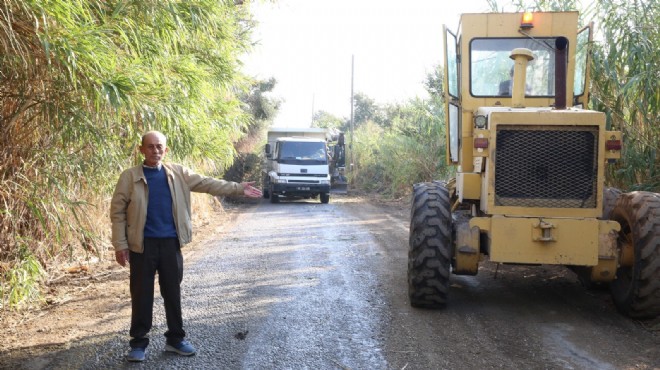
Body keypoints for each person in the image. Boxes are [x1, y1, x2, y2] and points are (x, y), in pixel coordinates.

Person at [110, 130, 262, 363]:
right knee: (141, 295)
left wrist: (238, 188)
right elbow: (118, 212)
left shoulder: (178, 173)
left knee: (173, 292)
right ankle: (138, 343)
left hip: (171, 244)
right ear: (141, 150)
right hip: (142, 247)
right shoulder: (129, 177)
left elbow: (208, 184)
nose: (155, 151)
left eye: (159, 146)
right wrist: (120, 245)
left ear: (166, 150)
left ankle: (175, 339)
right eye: (150, 146)